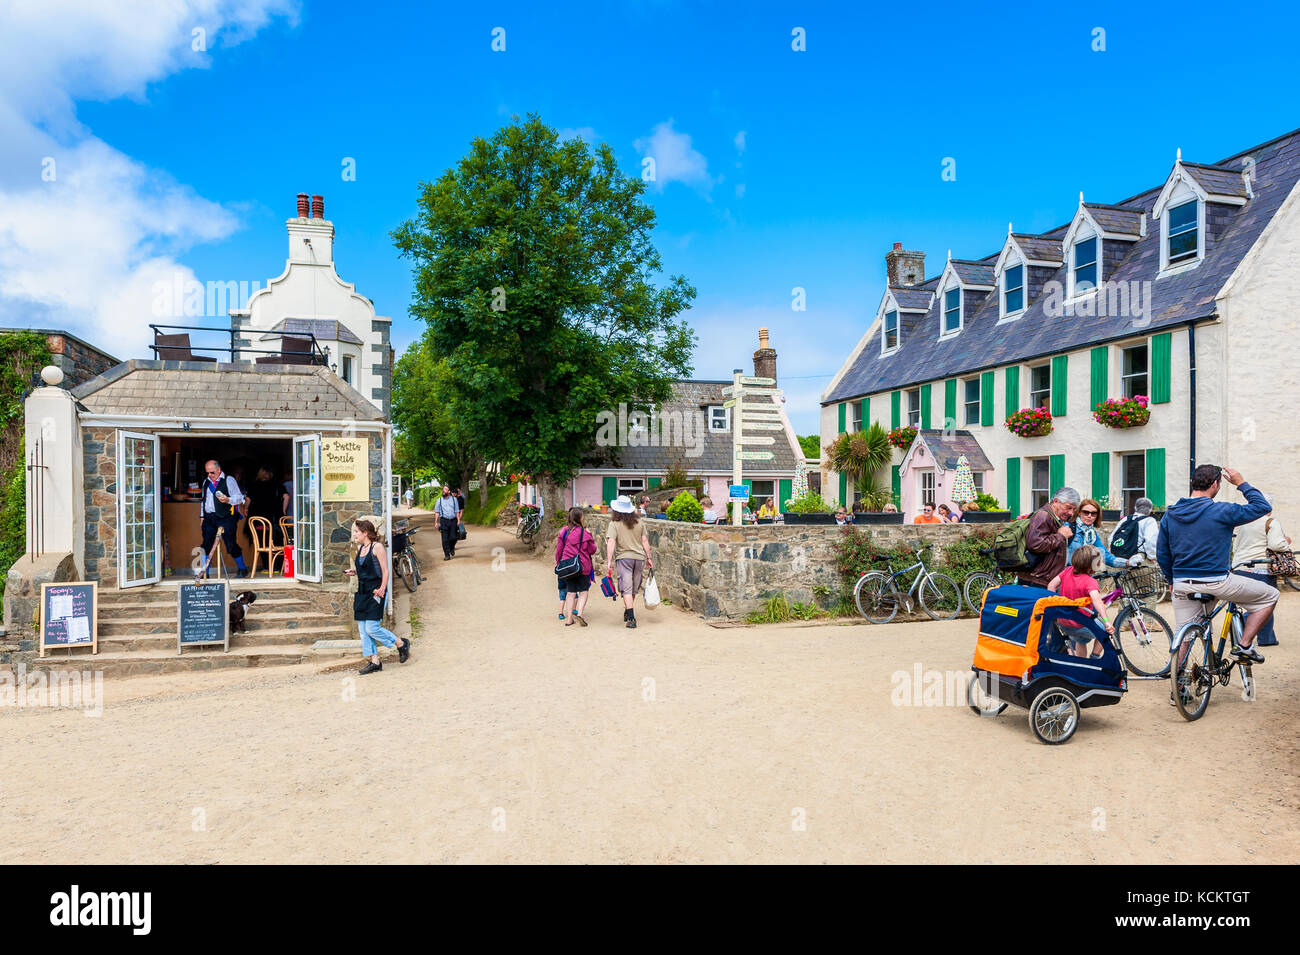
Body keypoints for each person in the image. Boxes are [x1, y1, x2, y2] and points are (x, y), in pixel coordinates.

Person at [1158, 465, 1276, 678]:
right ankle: (1244, 645)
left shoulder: (1171, 514)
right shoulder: (1222, 510)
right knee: (1270, 595)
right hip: (1217, 581)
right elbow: (1261, 506)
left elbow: (1163, 553)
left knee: (1184, 633)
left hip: (1182, 581)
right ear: (1215, 484)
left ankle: (1179, 685)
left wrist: (1171, 579)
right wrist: (1240, 482)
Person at [344, 519, 409, 674]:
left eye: (356, 532)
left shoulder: (377, 547)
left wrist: (382, 588)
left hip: (375, 593)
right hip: (362, 592)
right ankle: (375, 661)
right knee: (362, 629)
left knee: (372, 628)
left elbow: (385, 571)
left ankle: (400, 643)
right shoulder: (361, 548)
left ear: (366, 533)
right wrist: (354, 572)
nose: (354, 534)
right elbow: (366, 570)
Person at [1230, 492, 1290, 647]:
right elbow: (1276, 545)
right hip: (1260, 567)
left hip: (1240, 566)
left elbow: (1236, 546)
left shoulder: (1243, 522)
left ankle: (1267, 637)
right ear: (1268, 508)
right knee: (1267, 603)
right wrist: (1286, 542)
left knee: (1250, 601)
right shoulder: (1270, 521)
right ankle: (1264, 638)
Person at [1048, 545, 1115, 658]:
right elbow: (1097, 602)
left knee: (1081, 641)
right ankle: (1094, 657)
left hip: (1063, 622)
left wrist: (1056, 605)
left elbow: (1051, 586)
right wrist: (1107, 621)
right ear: (1092, 565)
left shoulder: (1067, 571)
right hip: (1081, 624)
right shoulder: (1090, 582)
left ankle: (1081, 663)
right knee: (1106, 632)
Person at [605, 496, 652, 629]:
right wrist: (649, 558)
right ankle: (628, 609)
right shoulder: (639, 522)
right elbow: (644, 541)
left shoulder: (614, 524)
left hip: (624, 558)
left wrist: (609, 561)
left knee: (627, 587)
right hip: (639, 558)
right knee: (634, 587)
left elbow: (611, 541)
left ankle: (631, 617)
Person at [1017, 487, 1079, 589]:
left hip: (1042, 580)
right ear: (1055, 501)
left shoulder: (1054, 518)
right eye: (1068, 507)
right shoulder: (1043, 516)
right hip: (1036, 581)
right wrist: (1061, 536)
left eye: (1074, 509)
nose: (1071, 513)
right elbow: (1035, 544)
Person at [198, 459, 249, 578]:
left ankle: (242, 569)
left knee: (230, 544)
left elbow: (239, 497)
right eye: (208, 473)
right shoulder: (206, 481)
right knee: (206, 544)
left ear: (219, 470)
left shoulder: (228, 480)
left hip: (226, 517)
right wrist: (202, 516)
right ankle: (205, 573)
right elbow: (203, 501)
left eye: (212, 473)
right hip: (209, 517)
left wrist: (228, 500)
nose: (210, 475)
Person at [555, 507, 597, 627]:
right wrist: (590, 537)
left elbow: (559, 550)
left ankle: (569, 619)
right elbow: (592, 550)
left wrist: (559, 564)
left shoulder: (564, 531)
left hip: (568, 566)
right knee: (583, 590)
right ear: (580, 518)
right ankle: (579, 613)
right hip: (583, 566)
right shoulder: (585, 533)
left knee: (570, 592)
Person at [1070, 497, 1134, 573]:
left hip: (1085, 576)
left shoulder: (1092, 534)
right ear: (1079, 512)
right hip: (1069, 575)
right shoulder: (1069, 528)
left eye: (1093, 513)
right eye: (1086, 512)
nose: (1089, 516)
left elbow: (1105, 555)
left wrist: (1127, 562)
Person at [247, 466, 284, 548]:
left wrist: (246, 508)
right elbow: (286, 496)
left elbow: (248, 499)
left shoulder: (254, 485)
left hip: (257, 518)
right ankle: (273, 559)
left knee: (261, 542)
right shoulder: (276, 485)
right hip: (271, 518)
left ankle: (265, 558)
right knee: (274, 540)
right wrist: (284, 510)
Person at [433, 485, 462, 560]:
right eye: (443, 489)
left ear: (449, 492)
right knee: (444, 539)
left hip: (453, 520)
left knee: (454, 537)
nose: (444, 491)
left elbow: (457, 511)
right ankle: (447, 554)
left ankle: (452, 547)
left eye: (445, 489)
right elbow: (437, 512)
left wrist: (458, 520)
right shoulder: (439, 500)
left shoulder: (454, 499)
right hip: (444, 521)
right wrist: (436, 522)